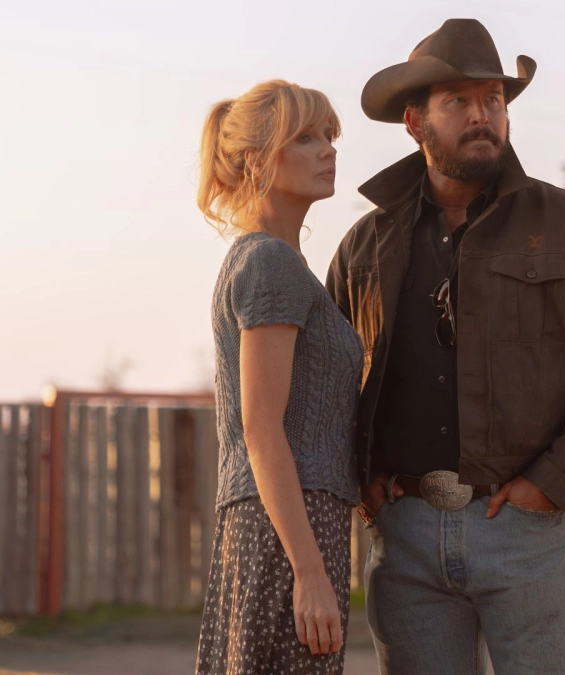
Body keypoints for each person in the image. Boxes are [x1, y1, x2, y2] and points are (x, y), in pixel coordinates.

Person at [326, 18, 565, 675]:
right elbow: (329, 382)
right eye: (459, 102)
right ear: (415, 123)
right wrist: (362, 482)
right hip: (406, 534)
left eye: (493, 101)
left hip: (527, 532)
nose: (482, 116)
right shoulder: (366, 244)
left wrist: (551, 484)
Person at [194, 80, 363, 674]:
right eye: (307, 137)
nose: (328, 150)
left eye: (330, 136)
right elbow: (261, 427)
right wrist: (309, 570)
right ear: (256, 159)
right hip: (288, 528)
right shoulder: (270, 261)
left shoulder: (270, 259)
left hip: (279, 523)